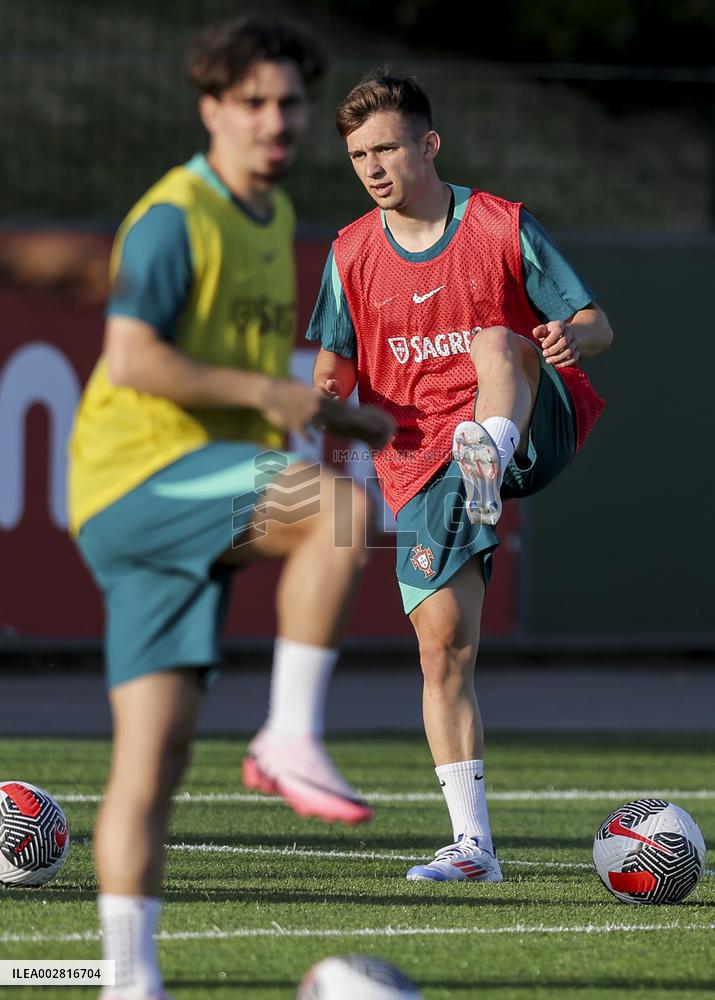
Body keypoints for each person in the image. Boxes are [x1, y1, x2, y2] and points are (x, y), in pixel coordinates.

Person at [67, 22, 394, 1000]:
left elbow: (246, 380)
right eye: (250, 102)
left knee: (152, 765)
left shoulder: (270, 215)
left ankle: (127, 983)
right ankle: (287, 733)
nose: (273, 120)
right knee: (336, 514)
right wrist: (271, 401)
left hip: (171, 499)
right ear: (210, 110)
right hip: (143, 476)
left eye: (289, 102)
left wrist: (342, 414)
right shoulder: (176, 216)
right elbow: (133, 359)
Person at [307, 74, 613, 883]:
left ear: (428, 144)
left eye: (386, 148)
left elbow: (596, 322)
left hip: (527, 424)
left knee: (492, 340)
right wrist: (320, 398)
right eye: (357, 154)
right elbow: (332, 370)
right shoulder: (348, 253)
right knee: (443, 653)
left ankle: (493, 442)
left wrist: (567, 338)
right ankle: (473, 846)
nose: (372, 166)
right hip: (419, 465)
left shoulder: (498, 224)